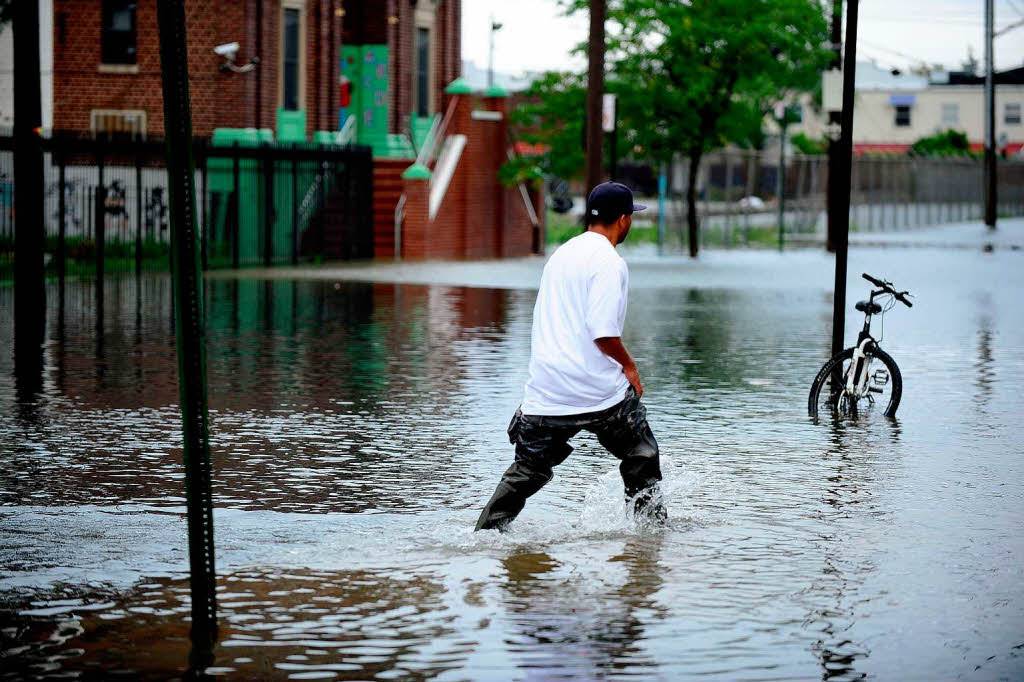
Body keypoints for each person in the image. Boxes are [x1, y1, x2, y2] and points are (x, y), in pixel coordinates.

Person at [475, 182, 665, 532]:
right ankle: (649, 539)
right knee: (641, 456)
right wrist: (629, 366)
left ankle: (484, 537)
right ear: (624, 220)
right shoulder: (609, 262)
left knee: (527, 472)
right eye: (630, 218)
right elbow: (603, 332)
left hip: (547, 394)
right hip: (599, 393)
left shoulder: (561, 254)